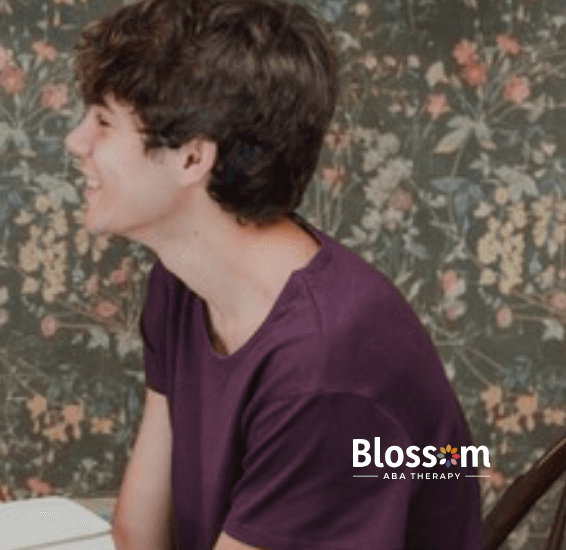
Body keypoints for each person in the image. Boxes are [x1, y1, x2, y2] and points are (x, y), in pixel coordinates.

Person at [66, 0, 481, 548]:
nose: (76, 141)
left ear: (194, 158)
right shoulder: (182, 283)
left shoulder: (327, 367)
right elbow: (138, 530)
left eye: (102, 122)